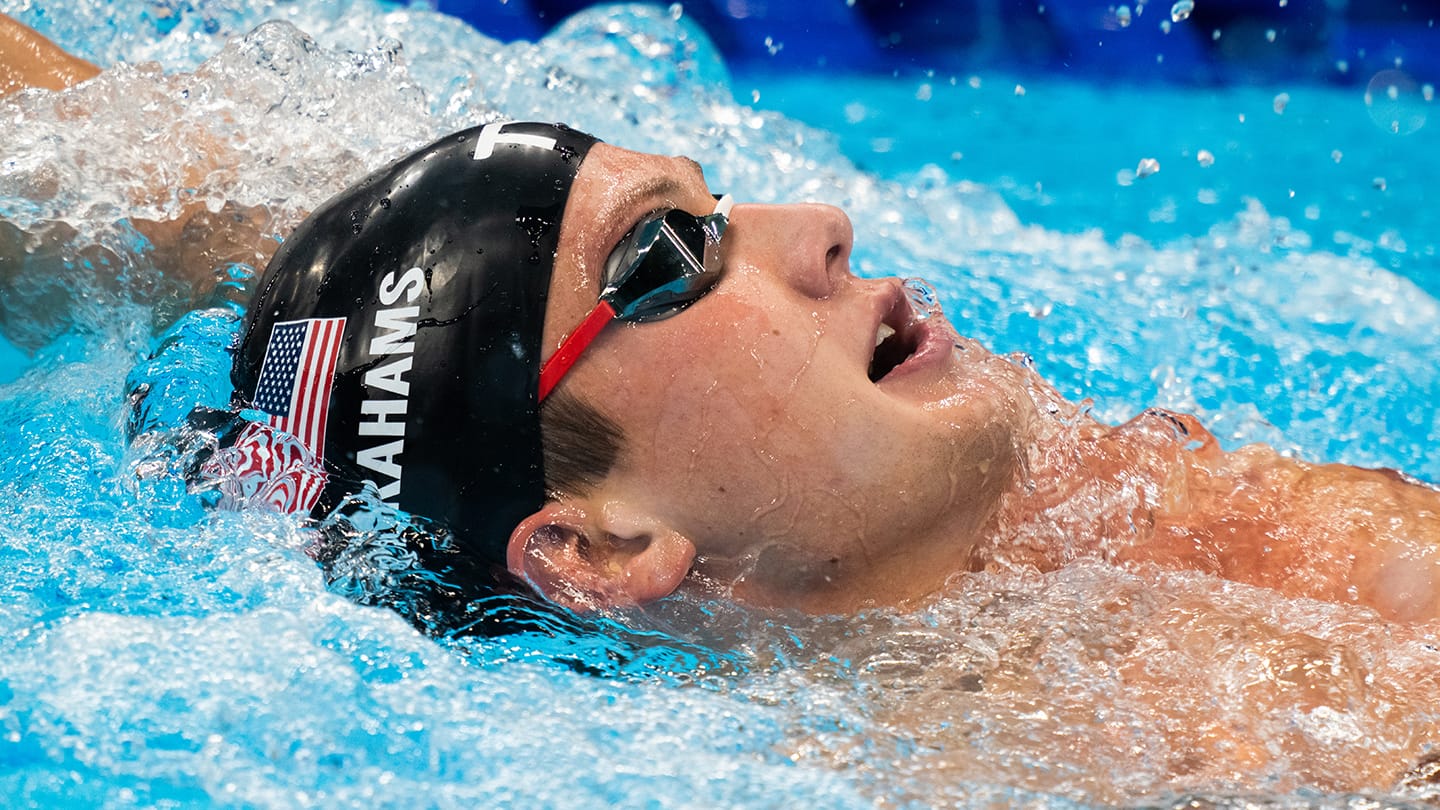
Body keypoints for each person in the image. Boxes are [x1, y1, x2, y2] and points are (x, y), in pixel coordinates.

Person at [5, 14, 1440, 629]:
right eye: (667, 256)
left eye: (724, 204)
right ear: (596, 548)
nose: (822, 224)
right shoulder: (1184, 720)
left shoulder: (1127, 523)